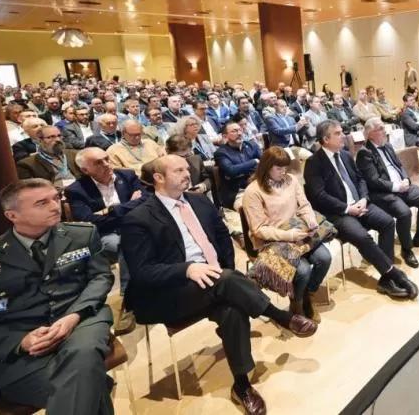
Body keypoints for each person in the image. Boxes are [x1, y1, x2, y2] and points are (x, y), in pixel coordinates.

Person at [121, 155, 316, 415]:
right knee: (225, 281)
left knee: (231, 307)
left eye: (187, 168)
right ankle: (280, 316)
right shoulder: (138, 218)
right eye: (178, 170)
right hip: (170, 293)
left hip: (214, 283)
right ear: (158, 178)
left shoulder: (199, 201)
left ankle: (242, 385)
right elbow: (142, 272)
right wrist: (187, 269)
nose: (187, 173)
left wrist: (226, 268)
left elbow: (223, 238)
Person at [0, 179, 114, 413]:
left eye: (56, 198)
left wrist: (73, 316)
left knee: (84, 361)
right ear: (12, 215)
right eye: (41, 203)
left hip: (81, 322)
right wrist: (22, 341)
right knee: (91, 386)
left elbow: (101, 277)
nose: (55, 206)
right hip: (24, 354)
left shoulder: (81, 234)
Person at [304, 120, 418, 299]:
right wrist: (347, 208)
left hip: (360, 204)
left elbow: (360, 179)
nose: (344, 136)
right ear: (326, 139)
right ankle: (394, 274)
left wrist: (364, 199)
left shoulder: (345, 155)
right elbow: (319, 196)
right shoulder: (314, 163)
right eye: (338, 133)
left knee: (388, 222)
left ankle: (386, 278)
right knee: (363, 237)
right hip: (338, 213)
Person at [242, 147, 331, 318]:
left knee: (324, 258)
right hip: (273, 240)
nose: (283, 172)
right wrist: (289, 235)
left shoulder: (291, 180)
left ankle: (307, 295)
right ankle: (297, 304)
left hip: (298, 231)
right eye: (279, 168)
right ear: (266, 167)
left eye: (285, 168)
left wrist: (310, 219)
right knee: (303, 271)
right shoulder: (253, 191)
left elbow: (304, 205)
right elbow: (258, 229)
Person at [65, 147, 145, 334]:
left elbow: (146, 200)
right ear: (85, 170)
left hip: (137, 227)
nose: (107, 164)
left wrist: (110, 210)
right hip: (106, 235)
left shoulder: (127, 175)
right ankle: (128, 300)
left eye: (107, 159)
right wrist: (129, 206)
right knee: (126, 243)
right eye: (98, 162)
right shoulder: (76, 190)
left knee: (138, 239)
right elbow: (88, 221)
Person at [356, 118, 419, 269]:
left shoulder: (387, 145)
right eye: (381, 128)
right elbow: (373, 181)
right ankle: (407, 249)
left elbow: (399, 166)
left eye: (384, 127)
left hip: (402, 186)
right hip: (383, 193)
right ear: (370, 134)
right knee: (404, 213)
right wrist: (396, 187)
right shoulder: (364, 153)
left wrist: (406, 179)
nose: (385, 131)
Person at [214, 122, 262, 211]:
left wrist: (242, 169)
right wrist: (254, 162)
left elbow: (264, 163)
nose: (239, 133)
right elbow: (231, 171)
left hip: (258, 185)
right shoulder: (221, 153)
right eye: (234, 131)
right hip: (238, 192)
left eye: (240, 130)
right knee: (252, 207)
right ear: (225, 136)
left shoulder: (252, 145)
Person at [16, 126, 81, 186]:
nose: (58, 139)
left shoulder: (74, 154)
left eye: (59, 136)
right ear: (39, 140)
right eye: (51, 137)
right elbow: (31, 188)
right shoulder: (27, 164)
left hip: (79, 189)